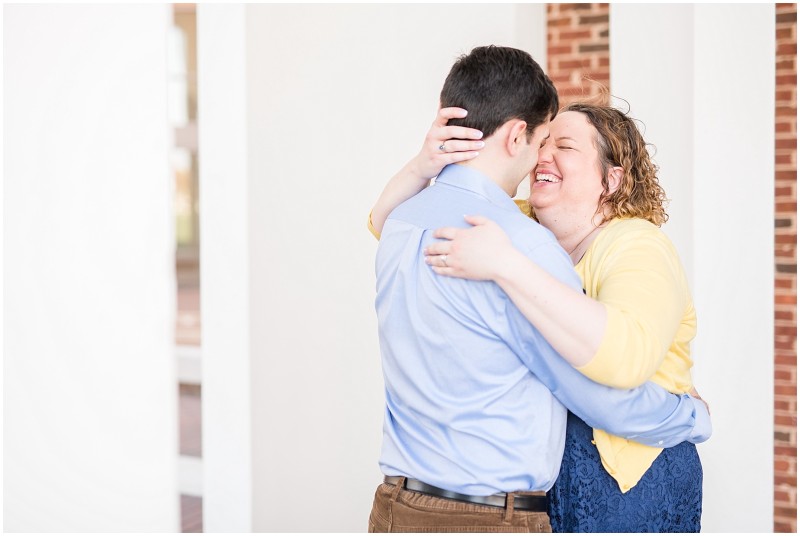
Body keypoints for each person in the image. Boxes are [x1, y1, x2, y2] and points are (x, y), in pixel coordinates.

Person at [369, 45, 710, 533]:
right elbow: (583, 389)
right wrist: (692, 416)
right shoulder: (515, 237)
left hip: (399, 506)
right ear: (515, 136)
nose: (542, 156)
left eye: (561, 144)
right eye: (543, 140)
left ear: (611, 181)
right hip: (488, 513)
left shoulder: (408, 222)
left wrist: (424, 169)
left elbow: (621, 358)